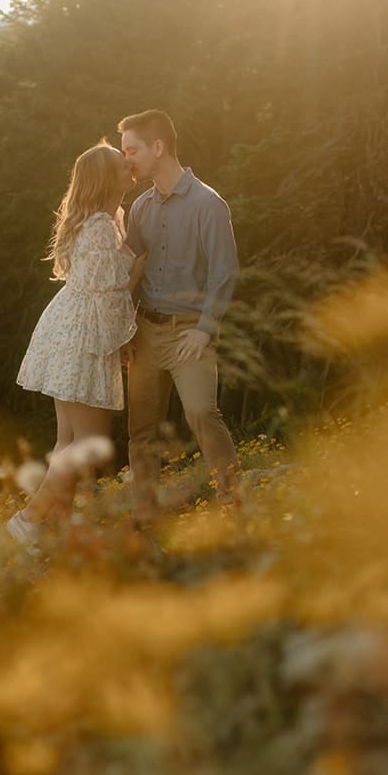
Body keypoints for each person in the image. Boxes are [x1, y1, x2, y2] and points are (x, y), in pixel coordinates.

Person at [8, 141, 145, 544]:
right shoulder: (101, 224)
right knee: (86, 442)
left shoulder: (106, 219)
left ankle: (58, 529)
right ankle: (28, 520)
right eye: (122, 164)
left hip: (68, 329)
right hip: (83, 335)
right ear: (107, 178)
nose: (129, 167)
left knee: (69, 440)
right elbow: (112, 288)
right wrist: (140, 268)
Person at [118, 109, 241, 524]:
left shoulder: (208, 203)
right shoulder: (138, 208)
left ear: (158, 147)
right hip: (146, 333)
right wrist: (124, 331)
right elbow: (129, 272)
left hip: (190, 333)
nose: (126, 160)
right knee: (142, 431)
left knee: (202, 412)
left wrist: (205, 330)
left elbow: (225, 273)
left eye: (131, 150)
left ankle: (232, 502)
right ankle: (146, 515)